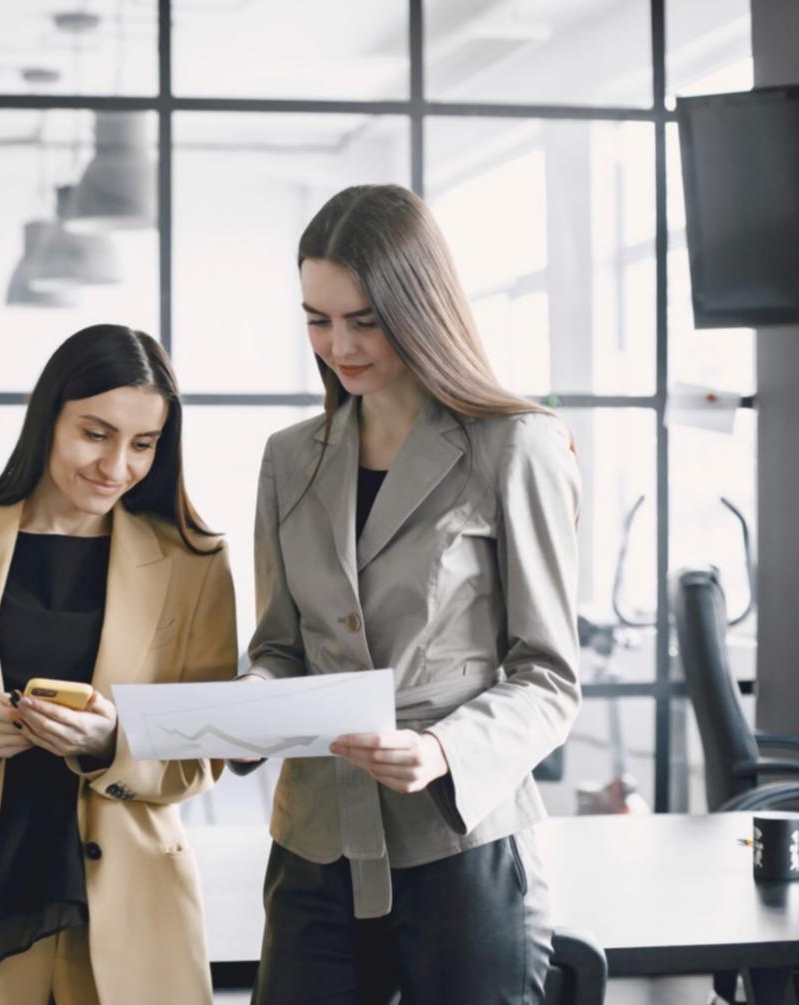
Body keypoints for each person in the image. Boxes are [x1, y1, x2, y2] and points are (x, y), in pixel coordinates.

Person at [241, 184, 582, 1003]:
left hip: (460, 843)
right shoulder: (291, 457)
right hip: (316, 843)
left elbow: (548, 675)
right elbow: (280, 648)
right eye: (317, 319)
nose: (338, 345)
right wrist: (246, 707)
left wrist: (443, 751)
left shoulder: (515, 445)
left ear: (420, 306)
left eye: (364, 320)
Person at [0, 325, 237, 1005]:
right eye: (96, 433)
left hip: (127, 914)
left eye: (142, 444)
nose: (117, 465)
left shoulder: (195, 562)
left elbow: (203, 754)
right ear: (48, 415)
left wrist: (113, 741)